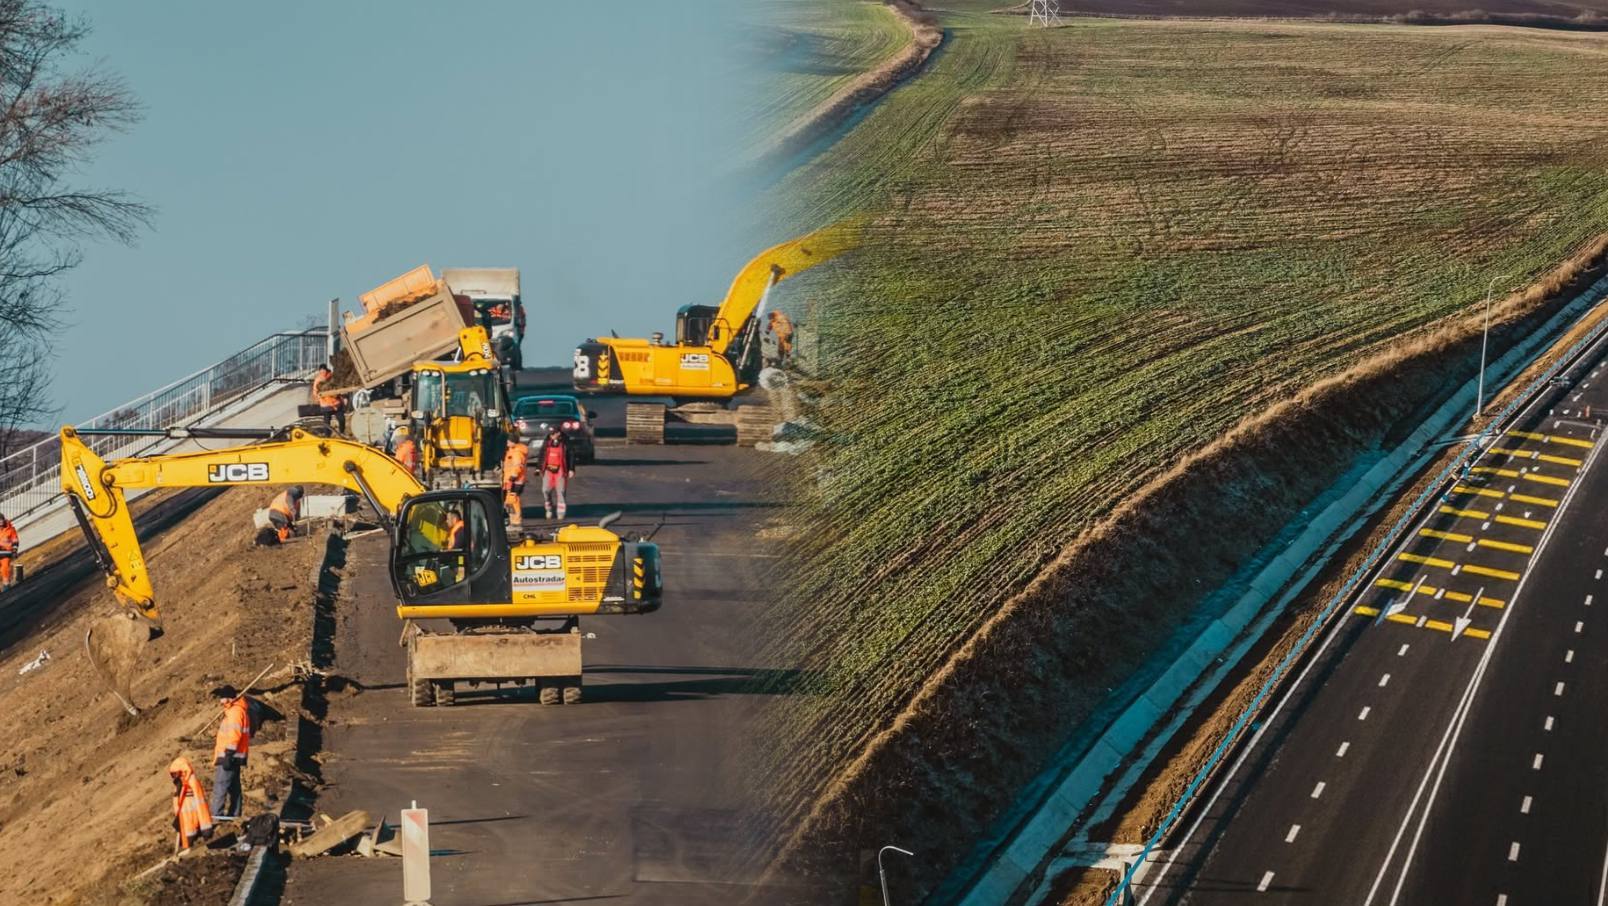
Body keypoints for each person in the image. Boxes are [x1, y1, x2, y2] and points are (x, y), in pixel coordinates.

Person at [209, 685, 252, 820]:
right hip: (235, 756)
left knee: (220, 786)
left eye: (222, 699)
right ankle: (234, 814)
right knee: (234, 788)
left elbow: (234, 735)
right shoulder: (237, 711)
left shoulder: (235, 712)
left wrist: (228, 754)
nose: (220, 702)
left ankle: (216, 815)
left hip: (230, 756)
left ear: (228, 699)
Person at [168, 756, 214, 850]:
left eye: (175, 774)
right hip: (187, 825)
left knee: (190, 838)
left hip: (192, 823)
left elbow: (201, 807)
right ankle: (187, 844)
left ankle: (190, 843)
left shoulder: (191, 781)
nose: (174, 777)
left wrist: (206, 830)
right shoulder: (179, 784)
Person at [538, 424, 574, 520]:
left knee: (561, 491)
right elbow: (542, 454)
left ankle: (560, 513)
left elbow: (571, 455)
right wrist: (539, 467)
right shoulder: (547, 441)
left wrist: (571, 469)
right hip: (548, 470)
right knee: (545, 490)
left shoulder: (566, 442)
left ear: (558, 433)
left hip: (561, 470)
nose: (551, 436)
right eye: (550, 434)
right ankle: (549, 508)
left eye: (553, 434)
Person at [501, 439, 529, 529]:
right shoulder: (512, 451)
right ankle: (513, 520)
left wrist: (513, 476)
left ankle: (516, 521)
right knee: (510, 500)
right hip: (510, 480)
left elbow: (518, 466)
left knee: (513, 500)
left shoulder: (517, 453)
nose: (507, 443)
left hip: (515, 480)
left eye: (508, 441)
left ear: (513, 442)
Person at [311, 364, 346, 435]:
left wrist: (343, 398)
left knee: (341, 419)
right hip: (326, 404)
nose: (322, 372)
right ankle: (327, 436)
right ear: (319, 371)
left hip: (336, 403)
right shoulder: (318, 380)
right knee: (327, 422)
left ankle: (341, 432)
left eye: (323, 370)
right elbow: (315, 391)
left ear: (326, 370)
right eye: (321, 371)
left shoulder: (332, 377)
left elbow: (339, 388)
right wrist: (318, 397)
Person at [0, 513, 18, 593]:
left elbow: (15, 540)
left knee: (5, 568)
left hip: (6, 553)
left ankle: (6, 584)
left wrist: (14, 550)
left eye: (1, 520)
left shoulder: (10, 529)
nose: (0, 522)